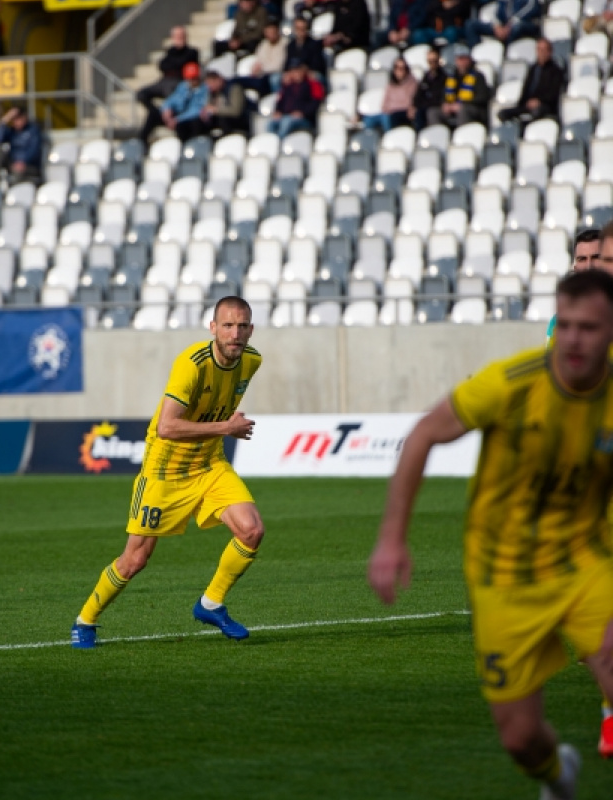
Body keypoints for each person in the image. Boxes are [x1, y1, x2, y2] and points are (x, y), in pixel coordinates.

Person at [368, 267, 613, 799]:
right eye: (565, 324)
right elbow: (425, 434)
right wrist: (392, 539)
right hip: (504, 576)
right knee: (522, 739)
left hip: (586, 563)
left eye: (589, 328)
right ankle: (556, 775)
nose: (573, 338)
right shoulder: (513, 382)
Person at [71, 296, 265, 649]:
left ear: (251, 329)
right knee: (134, 560)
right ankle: (85, 620)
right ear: (213, 328)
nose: (235, 334)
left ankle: (211, 604)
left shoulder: (251, 361)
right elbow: (166, 427)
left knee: (251, 531)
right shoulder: (191, 365)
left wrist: (220, 431)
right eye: (227, 325)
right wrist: (225, 427)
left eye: (242, 326)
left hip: (209, 464)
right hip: (166, 470)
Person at [136, 27, 199, 121]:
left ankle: (173, 118)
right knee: (141, 94)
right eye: (176, 36)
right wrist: (175, 64)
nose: (179, 38)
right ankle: (156, 114)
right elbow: (162, 65)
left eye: (181, 36)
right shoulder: (170, 51)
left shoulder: (192, 52)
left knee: (171, 94)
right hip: (164, 80)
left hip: (180, 81)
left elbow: (183, 64)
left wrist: (174, 64)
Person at [498, 38, 564, 125]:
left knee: (537, 112)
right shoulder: (533, 69)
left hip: (545, 105)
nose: (541, 53)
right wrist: (525, 102)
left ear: (549, 52)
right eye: (539, 50)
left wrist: (539, 101)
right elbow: (526, 89)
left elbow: (553, 93)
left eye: (544, 50)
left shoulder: (556, 71)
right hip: (528, 104)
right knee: (503, 114)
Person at [139, 61, 208, 145]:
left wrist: (177, 120)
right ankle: (141, 142)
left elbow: (196, 110)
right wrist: (166, 109)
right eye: (189, 78)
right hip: (175, 115)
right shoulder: (183, 86)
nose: (191, 81)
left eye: (194, 78)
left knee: (188, 124)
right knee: (153, 114)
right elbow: (172, 99)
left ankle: (185, 146)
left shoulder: (204, 90)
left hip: (187, 118)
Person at [181, 69, 250, 140]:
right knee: (194, 123)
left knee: (223, 120)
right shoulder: (212, 93)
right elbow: (208, 106)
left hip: (237, 121)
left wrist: (216, 110)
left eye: (211, 83)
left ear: (218, 80)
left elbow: (236, 111)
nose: (209, 87)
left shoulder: (234, 89)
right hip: (218, 119)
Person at [435, 44, 490, 128]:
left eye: (464, 59)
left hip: (473, 108)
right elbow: (444, 95)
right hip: (453, 107)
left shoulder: (478, 76)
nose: (462, 62)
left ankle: (461, 136)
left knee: (463, 110)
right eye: (460, 59)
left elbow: (482, 97)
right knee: (433, 112)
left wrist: (462, 104)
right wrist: (445, 104)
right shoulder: (451, 77)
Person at [267, 59, 325, 139]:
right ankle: (271, 143)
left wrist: (302, 113)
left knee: (286, 122)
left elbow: (315, 104)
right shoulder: (288, 86)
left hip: (304, 119)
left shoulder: (312, 84)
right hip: (287, 115)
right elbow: (280, 102)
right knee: (271, 123)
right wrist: (278, 111)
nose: (296, 73)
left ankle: (279, 143)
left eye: (298, 70)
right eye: (293, 71)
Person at [233, 16, 286, 96]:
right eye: (268, 32)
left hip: (275, 74)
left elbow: (279, 66)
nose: (270, 35)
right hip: (261, 74)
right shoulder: (263, 44)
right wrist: (254, 68)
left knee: (273, 79)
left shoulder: (285, 44)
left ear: (277, 31)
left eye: (273, 32)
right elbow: (258, 60)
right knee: (237, 81)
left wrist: (262, 68)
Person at [361, 58, 418, 132]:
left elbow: (409, 103)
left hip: (402, 112)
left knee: (387, 117)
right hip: (389, 112)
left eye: (402, 68)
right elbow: (384, 104)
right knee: (368, 120)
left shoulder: (412, 84)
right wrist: (388, 109)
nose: (399, 71)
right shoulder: (390, 86)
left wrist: (392, 108)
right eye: (397, 68)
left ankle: (389, 137)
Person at [464, 0, 541, 48]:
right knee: (470, 24)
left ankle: (505, 54)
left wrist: (512, 22)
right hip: (505, 25)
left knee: (516, 28)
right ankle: (475, 55)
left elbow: (532, 8)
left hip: (526, 23)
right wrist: (497, 26)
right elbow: (498, 12)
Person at [0, 106, 43, 184]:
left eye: (17, 118)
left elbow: (34, 150)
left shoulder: (33, 130)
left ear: (24, 117)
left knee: (17, 174)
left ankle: (14, 193)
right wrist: (5, 119)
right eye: (13, 119)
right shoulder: (12, 131)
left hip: (29, 165)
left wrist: (23, 162)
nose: (15, 122)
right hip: (13, 163)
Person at [410, 48, 447, 130]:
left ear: (439, 60)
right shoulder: (426, 77)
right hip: (425, 107)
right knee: (417, 112)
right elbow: (418, 95)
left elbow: (438, 97)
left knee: (431, 112)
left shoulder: (444, 77)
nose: (432, 64)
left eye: (434, 61)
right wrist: (414, 105)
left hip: (437, 107)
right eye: (430, 61)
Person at [284, 16, 327, 83]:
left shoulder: (314, 44)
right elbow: (287, 65)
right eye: (298, 28)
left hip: (310, 72)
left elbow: (317, 65)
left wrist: (303, 70)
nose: (300, 31)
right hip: (295, 72)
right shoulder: (291, 46)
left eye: (303, 28)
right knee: (282, 78)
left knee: (313, 77)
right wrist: (292, 72)